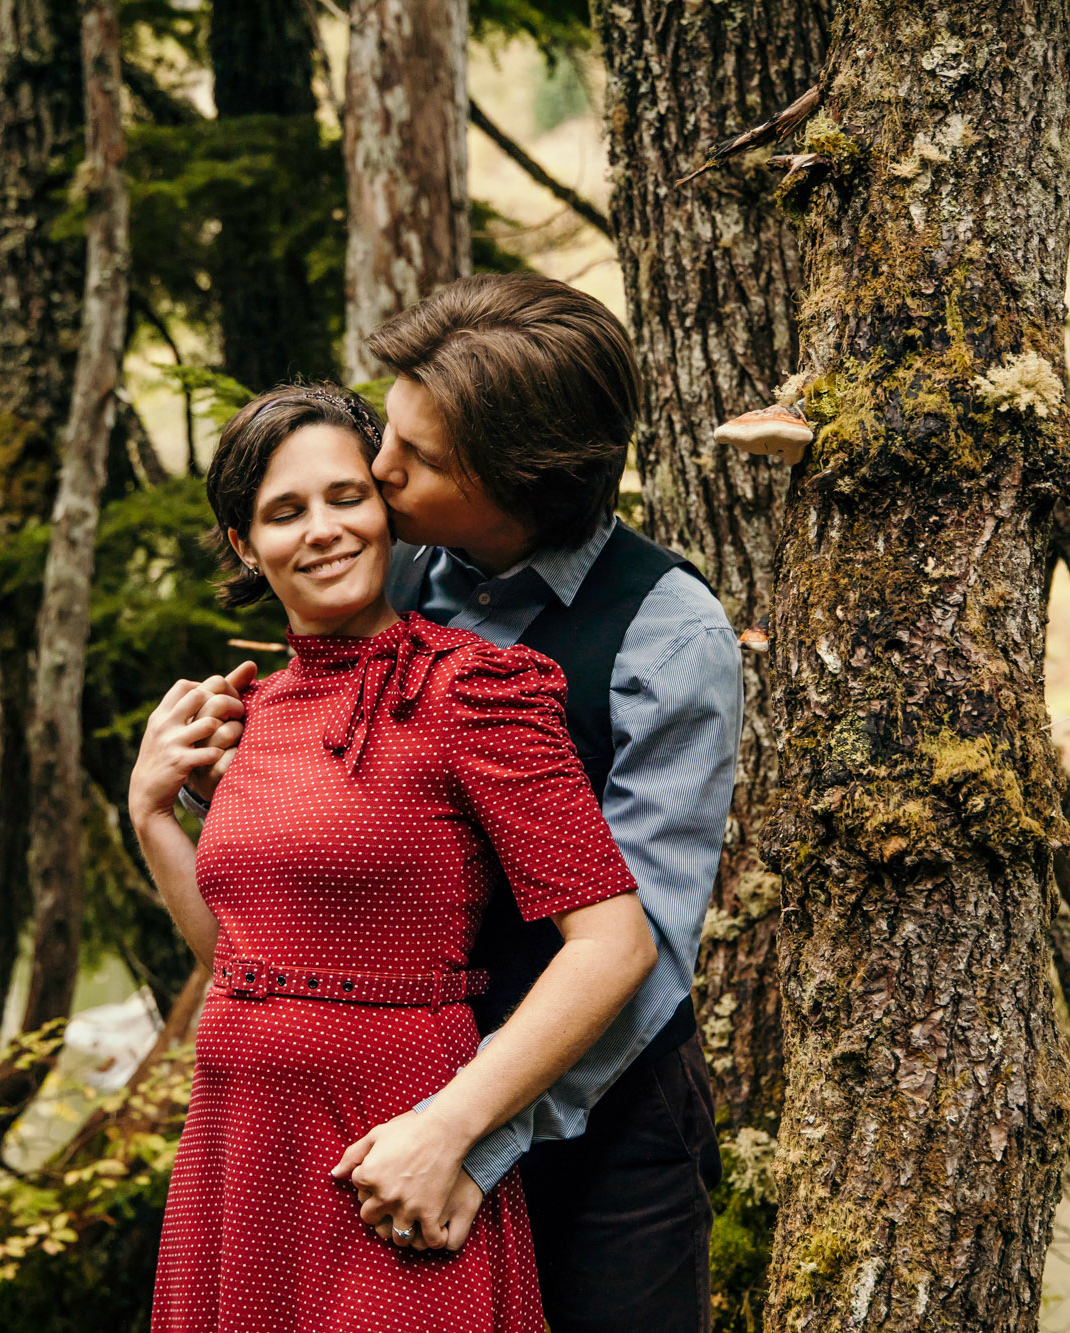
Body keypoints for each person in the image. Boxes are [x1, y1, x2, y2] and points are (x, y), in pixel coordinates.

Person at [183, 274, 743, 1332]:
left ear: (516, 490)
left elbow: (642, 953)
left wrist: (466, 1137)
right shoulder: (395, 568)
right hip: (389, 1111)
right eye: (388, 431)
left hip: (592, 1139)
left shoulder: (667, 639)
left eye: (418, 461)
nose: (376, 471)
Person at [130, 383, 657, 1332]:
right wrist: (152, 815)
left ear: (385, 507)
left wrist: (451, 1127)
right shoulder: (255, 715)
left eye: (345, 496)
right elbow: (240, 963)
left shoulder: (473, 690)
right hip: (240, 1149)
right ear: (246, 545)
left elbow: (616, 944)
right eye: (285, 512)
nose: (324, 530)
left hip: (395, 1142)